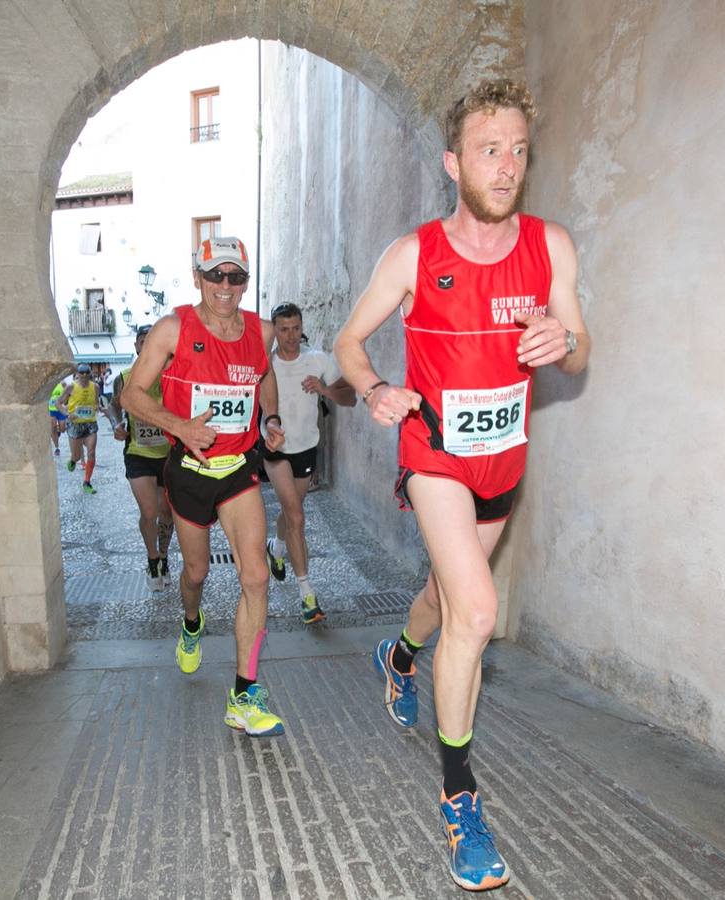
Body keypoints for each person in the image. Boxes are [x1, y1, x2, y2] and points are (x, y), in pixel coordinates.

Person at [335, 78, 591, 893]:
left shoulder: (551, 247)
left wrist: (565, 339)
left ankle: (400, 657)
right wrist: (377, 387)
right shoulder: (415, 254)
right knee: (478, 612)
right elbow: (347, 342)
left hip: (501, 467)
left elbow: (579, 348)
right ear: (454, 162)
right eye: (489, 149)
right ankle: (459, 797)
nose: (506, 164)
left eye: (518, 149)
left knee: (446, 604)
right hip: (435, 453)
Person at [119, 236, 289, 737]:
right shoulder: (173, 328)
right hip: (189, 471)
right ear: (198, 277)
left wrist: (271, 417)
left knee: (255, 576)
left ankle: (243, 693)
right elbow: (131, 393)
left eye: (236, 276)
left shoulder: (260, 330)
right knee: (195, 574)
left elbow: (265, 377)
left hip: (237, 469)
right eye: (216, 275)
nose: (225, 286)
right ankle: (191, 624)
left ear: (245, 283)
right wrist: (181, 426)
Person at [263, 302, 356, 623]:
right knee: (298, 517)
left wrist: (325, 389)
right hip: (275, 451)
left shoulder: (317, 359)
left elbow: (350, 397)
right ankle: (307, 596)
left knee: (291, 515)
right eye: (283, 329)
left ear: (302, 327)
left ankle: (276, 545)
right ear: (274, 330)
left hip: (306, 449)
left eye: (295, 328)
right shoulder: (266, 365)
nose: (290, 336)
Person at [111, 325, 174, 593]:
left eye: (153, 341)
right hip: (138, 453)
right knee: (149, 512)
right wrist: (117, 424)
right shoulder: (125, 377)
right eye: (142, 341)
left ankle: (163, 556)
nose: (147, 345)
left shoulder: (171, 375)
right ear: (136, 347)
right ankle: (152, 560)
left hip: (169, 455)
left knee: (167, 514)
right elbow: (113, 406)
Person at [59, 363, 106, 494]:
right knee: (78, 456)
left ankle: (87, 482)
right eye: (82, 373)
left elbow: (96, 402)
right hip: (75, 424)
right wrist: (67, 414)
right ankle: (73, 460)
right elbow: (58, 403)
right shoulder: (71, 387)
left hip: (90, 423)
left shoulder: (95, 387)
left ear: (90, 373)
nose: (84, 375)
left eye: (87, 373)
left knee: (91, 452)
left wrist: (97, 407)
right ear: (78, 374)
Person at [48, 377, 69, 457]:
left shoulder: (62, 383)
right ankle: (57, 448)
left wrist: (65, 402)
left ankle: (58, 430)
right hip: (51, 409)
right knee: (52, 428)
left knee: (63, 429)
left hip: (60, 409)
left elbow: (68, 392)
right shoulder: (49, 384)